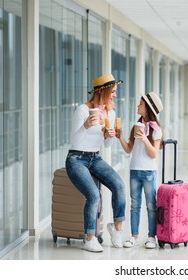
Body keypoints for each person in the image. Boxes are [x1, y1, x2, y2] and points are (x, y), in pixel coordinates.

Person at [65, 73, 126, 252]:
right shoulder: (83, 110)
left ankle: (117, 229)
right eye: (113, 91)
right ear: (103, 91)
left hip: (95, 157)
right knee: (94, 194)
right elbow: (74, 141)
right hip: (76, 159)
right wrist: (85, 125)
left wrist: (109, 136)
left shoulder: (111, 112)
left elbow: (106, 144)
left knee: (119, 185)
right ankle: (89, 238)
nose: (115, 94)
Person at [116, 91, 163, 249]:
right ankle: (134, 236)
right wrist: (120, 137)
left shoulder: (156, 129)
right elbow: (129, 149)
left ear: (148, 108)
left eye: (141, 104)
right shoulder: (136, 125)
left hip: (149, 171)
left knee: (151, 205)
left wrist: (144, 138)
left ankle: (151, 237)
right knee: (135, 205)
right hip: (134, 170)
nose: (138, 106)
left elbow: (154, 153)